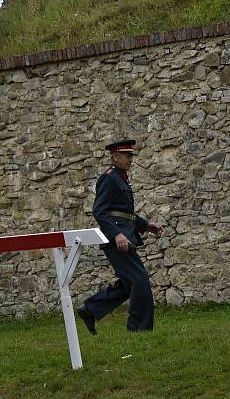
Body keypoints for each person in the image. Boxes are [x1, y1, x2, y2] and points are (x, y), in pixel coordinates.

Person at [76, 139, 164, 334]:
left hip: (125, 235)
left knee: (128, 283)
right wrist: (117, 235)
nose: (130, 159)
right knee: (139, 280)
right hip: (118, 240)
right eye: (127, 155)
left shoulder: (120, 177)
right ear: (115, 157)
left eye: (131, 155)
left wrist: (145, 225)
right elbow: (100, 211)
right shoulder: (108, 178)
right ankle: (138, 330)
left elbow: (124, 213)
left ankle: (90, 309)